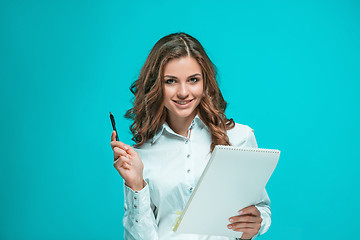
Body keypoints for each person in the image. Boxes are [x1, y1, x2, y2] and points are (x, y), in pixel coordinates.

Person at [110, 32, 271, 240]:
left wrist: (256, 224)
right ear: (156, 85)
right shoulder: (141, 157)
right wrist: (136, 186)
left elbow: (261, 210)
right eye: (171, 81)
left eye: (193, 80)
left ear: (206, 82)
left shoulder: (240, 138)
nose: (183, 92)